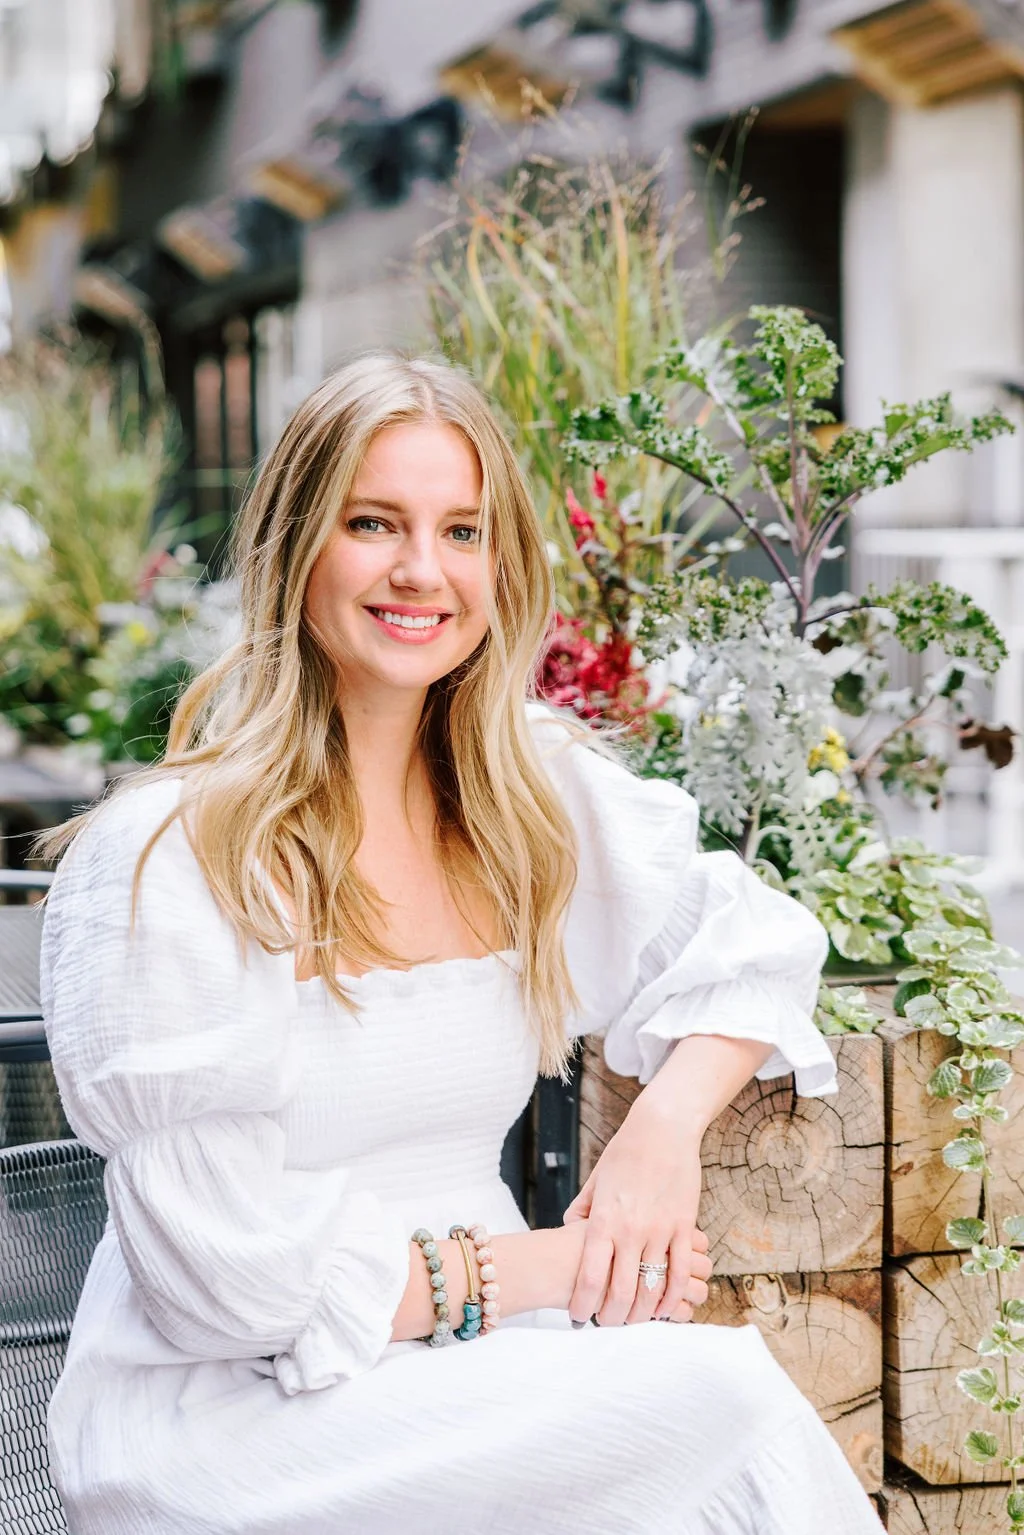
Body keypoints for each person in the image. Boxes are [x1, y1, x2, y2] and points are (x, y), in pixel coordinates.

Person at [37, 353, 884, 1534]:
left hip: (476, 1373)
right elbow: (219, 1286)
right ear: (294, 549)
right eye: (373, 522)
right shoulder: (170, 859)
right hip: (231, 1423)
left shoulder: (528, 799)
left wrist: (658, 1137)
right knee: (717, 1399)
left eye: (461, 530)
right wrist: (544, 1270)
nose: (420, 570)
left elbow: (750, 942)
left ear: (501, 562)